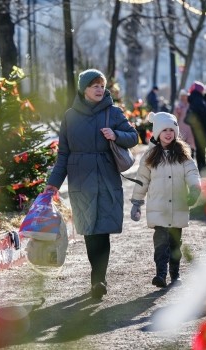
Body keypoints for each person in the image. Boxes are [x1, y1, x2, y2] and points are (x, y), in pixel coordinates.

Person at [45, 68, 139, 300]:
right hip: (81, 180)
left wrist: (116, 135)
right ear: (84, 89)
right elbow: (63, 154)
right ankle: (95, 277)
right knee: (89, 230)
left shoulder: (113, 112)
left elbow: (134, 137)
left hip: (106, 178)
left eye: (101, 85)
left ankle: (99, 279)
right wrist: (53, 184)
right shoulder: (70, 116)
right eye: (94, 85)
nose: (99, 89)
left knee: (103, 230)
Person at [129, 112, 202, 288]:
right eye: (164, 130)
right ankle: (160, 274)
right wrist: (137, 202)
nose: (168, 133)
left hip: (178, 205)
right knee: (161, 243)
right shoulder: (150, 156)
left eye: (171, 130)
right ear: (157, 133)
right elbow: (142, 180)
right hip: (158, 207)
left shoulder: (183, 154)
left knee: (175, 243)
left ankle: (175, 275)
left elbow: (192, 172)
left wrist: (194, 188)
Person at [187, 81, 206, 171]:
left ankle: (201, 165)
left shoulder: (193, 99)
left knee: (199, 147)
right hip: (201, 127)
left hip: (195, 127)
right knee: (201, 148)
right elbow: (204, 115)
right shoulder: (199, 100)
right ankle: (202, 166)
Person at [173, 89, 196, 154]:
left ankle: (191, 156)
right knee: (181, 143)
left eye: (184, 96)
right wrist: (177, 113)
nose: (183, 97)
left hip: (190, 127)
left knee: (191, 143)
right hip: (181, 127)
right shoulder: (178, 105)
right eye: (182, 96)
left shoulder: (191, 104)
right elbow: (175, 118)